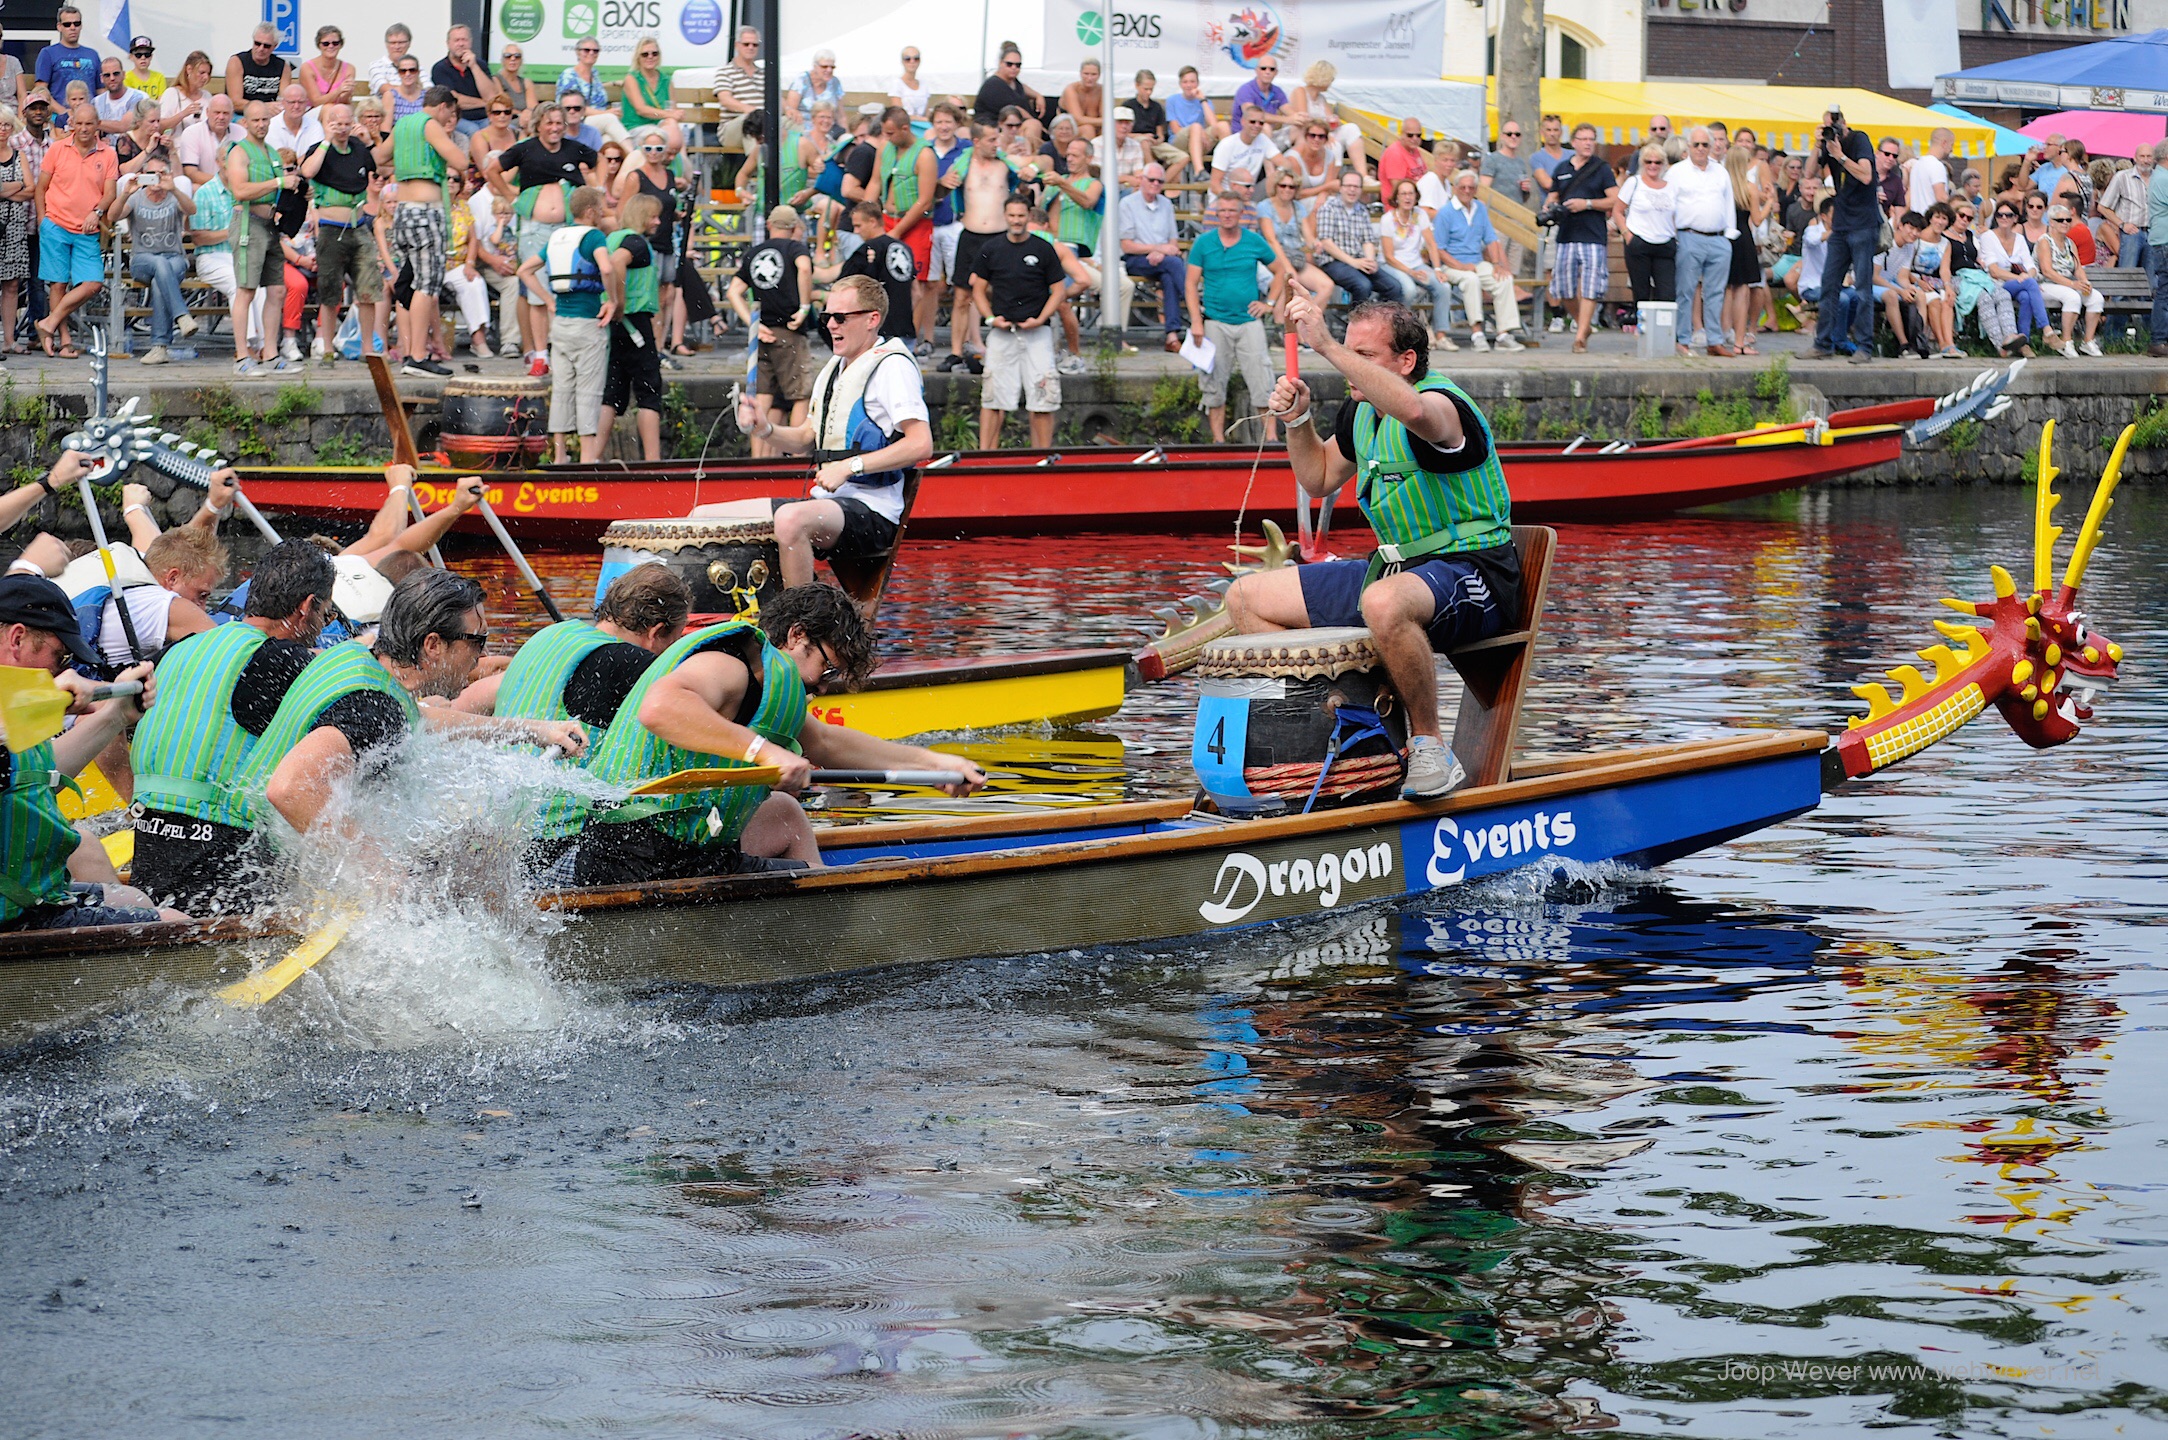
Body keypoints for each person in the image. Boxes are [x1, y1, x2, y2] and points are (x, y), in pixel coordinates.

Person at [1227, 296, 1517, 801]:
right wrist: (1298, 421)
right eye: (1350, 354)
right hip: (1396, 570)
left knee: (1382, 602)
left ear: (1405, 361)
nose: (1349, 368)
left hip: (1477, 575)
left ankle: (1429, 748)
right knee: (1246, 600)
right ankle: (1352, 748)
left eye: (1366, 355)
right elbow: (1316, 477)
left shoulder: (1444, 407)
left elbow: (1412, 409)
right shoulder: (1360, 412)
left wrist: (1328, 345)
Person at [573, 583, 982, 885]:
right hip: (641, 855)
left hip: (668, 849)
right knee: (820, 882)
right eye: (828, 670)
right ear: (797, 635)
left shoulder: (767, 684)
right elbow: (660, 707)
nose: (823, 687)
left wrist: (935, 764)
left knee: (786, 812)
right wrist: (764, 752)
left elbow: (827, 742)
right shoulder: (728, 665)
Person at [245, 569, 586, 842]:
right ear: (433, 644)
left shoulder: (365, 661)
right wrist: (380, 876)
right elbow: (290, 790)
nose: (481, 655)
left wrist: (532, 731)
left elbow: (419, 719)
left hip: (245, 839)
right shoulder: (373, 708)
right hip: (251, 870)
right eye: (476, 641)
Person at [124, 541, 342, 913]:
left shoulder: (175, 652)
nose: (325, 623)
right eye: (326, 612)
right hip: (225, 891)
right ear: (307, 608)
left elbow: (108, 721)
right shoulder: (283, 663)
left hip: (150, 858)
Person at [695, 273, 930, 595]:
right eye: (827, 316)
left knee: (791, 520)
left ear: (872, 319)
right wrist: (764, 428)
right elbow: (806, 438)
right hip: (827, 507)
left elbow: (920, 444)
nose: (831, 325)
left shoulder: (892, 367)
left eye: (841, 317)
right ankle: (741, 614)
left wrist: (850, 466)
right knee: (703, 517)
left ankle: (802, 621)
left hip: (873, 514)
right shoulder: (835, 367)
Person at [449, 566, 692, 872]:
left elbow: (471, 700)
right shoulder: (633, 662)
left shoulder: (551, 636)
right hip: (562, 847)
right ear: (657, 633)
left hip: (503, 835)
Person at [0, 573, 180, 932]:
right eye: (59, 654)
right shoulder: (14, 710)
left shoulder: (15, 718)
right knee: (177, 925)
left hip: (31, 902)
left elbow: (37, 773)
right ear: (18, 638)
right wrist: (44, 700)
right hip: (16, 917)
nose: (62, 667)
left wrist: (118, 716)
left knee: (136, 900)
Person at [488, 102, 600, 376]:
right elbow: (492, 170)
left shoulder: (575, 148)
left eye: (559, 123)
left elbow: (601, 161)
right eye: (549, 122)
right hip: (534, 229)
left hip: (567, 229)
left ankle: (563, 351)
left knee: (567, 287)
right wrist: (512, 195)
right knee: (537, 293)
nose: (555, 128)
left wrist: (596, 188)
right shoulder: (525, 148)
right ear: (538, 124)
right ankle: (540, 355)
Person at [515, 185, 621, 464]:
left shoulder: (556, 236)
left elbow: (524, 270)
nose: (602, 214)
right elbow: (607, 267)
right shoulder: (594, 236)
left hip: (560, 323)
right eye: (600, 209)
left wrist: (548, 301)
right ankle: (587, 460)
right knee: (589, 390)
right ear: (590, 211)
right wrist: (611, 300)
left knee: (562, 389)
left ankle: (558, 456)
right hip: (589, 324)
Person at [1186, 190, 1290, 444]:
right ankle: (1218, 441)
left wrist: (1269, 303)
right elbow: (1190, 284)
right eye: (1222, 210)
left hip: (1248, 321)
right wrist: (1196, 321)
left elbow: (1281, 272)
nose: (1227, 215)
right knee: (1213, 384)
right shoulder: (1203, 243)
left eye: (1232, 210)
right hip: (1214, 321)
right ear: (1216, 213)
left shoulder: (1253, 241)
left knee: (1262, 380)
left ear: (1241, 213)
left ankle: (1272, 440)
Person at [388, 87, 471, 379]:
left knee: (412, 283)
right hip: (426, 211)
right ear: (443, 106)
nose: (452, 120)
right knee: (427, 285)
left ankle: (412, 351)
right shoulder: (430, 124)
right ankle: (418, 356)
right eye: (451, 113)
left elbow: (380, 156)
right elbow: (460, 161)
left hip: (403, 212)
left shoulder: (402, 125)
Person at [972, 196, 1066, 448]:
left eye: (1021, 216)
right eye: (1012, 215)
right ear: (1005, 215)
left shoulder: (1043, 248)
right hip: (1002, 332)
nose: (1016, 220)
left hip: (1038, 333)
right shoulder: (991, 248)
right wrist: (990, 318)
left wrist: (1041, 318)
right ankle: (985, 458)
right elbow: (977, 289)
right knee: (992, 398)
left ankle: (1043, 459)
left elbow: (1058, 290)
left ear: (1028, 216)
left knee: (1044, 397)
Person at [33, 103, 116, 360]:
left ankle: (48, 323)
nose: (83, 128)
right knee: (58, 283)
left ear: (97, 125)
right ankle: (64, 340)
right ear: (71, 124)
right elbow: (41, 187)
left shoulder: (108, 153)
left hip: (87, 229)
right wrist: (42, 220)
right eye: (78, 123)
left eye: (88, 123)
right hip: (55, 224)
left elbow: (110, 192)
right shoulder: (57, 149)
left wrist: (97, 212)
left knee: (93, 283)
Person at [730, 204, 815, 456]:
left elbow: (733, 291)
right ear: (794, 228)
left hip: (762, 332)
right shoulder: (795, 248)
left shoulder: (754, 252)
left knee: (762, 395)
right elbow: (805, 268)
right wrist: (804, 306)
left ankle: (758, 460)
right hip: (789, 330)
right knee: (800, 394)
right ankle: (798, 457)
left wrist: (753, 326)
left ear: (769, 226)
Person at [222, 101, 295, 377]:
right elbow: (239, 190)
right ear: (246, 123)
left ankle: (271, 353)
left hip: (270, 226)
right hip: (248, 224)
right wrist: (278, 183)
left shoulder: (273, 153)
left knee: (277, 290)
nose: (261, 125)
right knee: (246, 290)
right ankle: (242, 357)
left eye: (265, 120)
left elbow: (283, 190)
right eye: (255, 121)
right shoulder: (239, 152)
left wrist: (299, 193)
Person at [939, 123, 1017, 372]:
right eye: (991, 140)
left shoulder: (1005, 164)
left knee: (1003, 292)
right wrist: (943, 182)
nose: (996, 144)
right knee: (962, 295)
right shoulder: (962, 165)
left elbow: (1035, 167)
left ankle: (1007, 348)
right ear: (976, 141)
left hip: (999, 236)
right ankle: (955, 352)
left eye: (997, 139)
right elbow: (939, 192)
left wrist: (1034, 169)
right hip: (971, 235)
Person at [594, 192, 664, 460]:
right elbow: (616, 263)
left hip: (614, 325)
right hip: (634, 320)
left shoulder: (611, 238)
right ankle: (653, 461)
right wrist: (618, 302)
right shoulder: (635, 242)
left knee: (612, 390)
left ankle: (592, 457)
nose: (658, 222)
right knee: (649, 391)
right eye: (654, 216)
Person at [1808, 106, 1880, 361]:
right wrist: (1818, 146)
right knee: (1829, 283)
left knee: (1862, 287)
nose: (1833, 132)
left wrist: (1839, 156)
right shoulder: (1828, 146)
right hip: (1840, 225)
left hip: (1863, 224)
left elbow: (1866, 176)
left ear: (1844, 124)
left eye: (1834, 126)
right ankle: (1822, 343)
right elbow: (1808, 174)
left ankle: (1864, 347)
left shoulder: (1859, 139)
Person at [1432, 169, 1522, 351]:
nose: (1467, 190)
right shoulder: (1445, 213)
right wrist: (1461, 266)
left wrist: (1498, 265)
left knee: (1504, 279)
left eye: (1471, 187)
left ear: (1475, 190)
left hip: (1476, 262)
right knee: (1471, 280)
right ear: (1455, 188)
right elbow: (1438, 248)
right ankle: (1477, 333)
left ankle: (1503, 334)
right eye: (1463, 187)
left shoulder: (1480, 209)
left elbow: (1490, 239)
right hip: (1452, 265)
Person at [1545, 122, 1616, 353]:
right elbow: (1552, 196)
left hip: (1593, 234)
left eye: (1591, 139)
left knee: (1590, 286)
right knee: (1563, 288)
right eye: (1583, 139)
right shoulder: (1562, 167)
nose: (1587, 143)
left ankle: (1580, 336)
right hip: (1566, 234)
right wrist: (1552, 207)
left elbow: (1614, 199)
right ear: (1574, 142)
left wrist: (1587, 204)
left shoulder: (1602, 168)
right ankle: (1583, 326)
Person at [124, 158, 194, 365]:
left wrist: (175, 189)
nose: (157, 178)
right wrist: (125, 194)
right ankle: (182, 316)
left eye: (161, 173)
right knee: (160, 265)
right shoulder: (136, 197)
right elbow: (113, 215)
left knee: (159, 279)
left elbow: (192, 210)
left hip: (174, 258)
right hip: (142, 259)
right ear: (144, 175)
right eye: (152, 173)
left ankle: (159, 347)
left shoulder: (174, 197)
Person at [825, 201, 919, 345]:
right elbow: (917, 293)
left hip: (879, 333)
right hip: (905, 330)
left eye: (858, 226)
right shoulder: (904, 248)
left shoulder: (867, 250)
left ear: (872, 222)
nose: (856, 232)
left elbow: (842, 287)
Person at [1379, 178, 1454, 351]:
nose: (1407, 197)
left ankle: (1441, 334)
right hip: (1393, 264)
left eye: (1411, 193)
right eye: (1403, 193)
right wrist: (1410, 273)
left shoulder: (1420, 215)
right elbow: (1389, 256)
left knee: (1443, 286)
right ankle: (1401, 334)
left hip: (1416, 263)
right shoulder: (1387, 219)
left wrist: (1437, 269)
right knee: (1409, 289)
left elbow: (1431, 244)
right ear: (1396, 197)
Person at [1256, 171, 1335, 315]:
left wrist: (1315, 244)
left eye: (1291, 187)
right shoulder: (1264, 206)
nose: (1287, 189)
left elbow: (1308, 236)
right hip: (1272, 258)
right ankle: (1281, 327)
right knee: (1291, 281)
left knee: (1327, 285)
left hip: (1295, 257)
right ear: (1276, 186)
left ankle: (1306, 322)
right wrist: (1286, 266)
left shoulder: (1298, 207)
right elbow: (1271, 240)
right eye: (1283, 185)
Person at [1978, 199, 2045, 357]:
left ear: (2015, 218)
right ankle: (2046, 330)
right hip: (1997, 284)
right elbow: (1994, 271)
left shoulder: (2019, 239)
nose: (2004, 218)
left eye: (2008, 215)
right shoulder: (1988, 236)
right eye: (2000, 215)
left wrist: (2027, 277)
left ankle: (2022, 343)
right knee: (2029, 285)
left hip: (2018, 284)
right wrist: (2022, 278)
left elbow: (2031, 266)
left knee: (2026, 296)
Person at [2037, 203, 2104, 358]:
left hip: (2067, 283)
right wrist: (2073, 284)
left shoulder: (2070, 243)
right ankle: (2066, 341)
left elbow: (2078, 267)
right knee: (2072, 297)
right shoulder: (2045, 241)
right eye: (2060, 220)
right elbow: (2047, 271)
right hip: (2045, 284)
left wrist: (2085, 282)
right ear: (2051, 222)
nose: (2065, 223)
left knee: (2096, 298)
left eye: (2068, 219)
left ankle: (2088, 341)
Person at [1722, 145, 1771, 356]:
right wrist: (1769, 202)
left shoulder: (1722, 186)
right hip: (1743, 240)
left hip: (1724, 238)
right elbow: (1758, 220)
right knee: (1742, 291)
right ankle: (1740, 341)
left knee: (1725, 290)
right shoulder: (1749, 187)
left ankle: (1724, 333)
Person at [1617, 143, 1676, 307]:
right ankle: (1642, 329)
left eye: (1657, 162)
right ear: (1642, 163)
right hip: (1639, 241)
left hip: (1665, 242)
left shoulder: (1671, 186)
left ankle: (1664, 331)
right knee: (1641, 292)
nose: (1653, 166)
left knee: (1667, 295)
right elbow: (1618, 211)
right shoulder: (1634, 183)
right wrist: (1627, 234)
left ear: (1663, 164)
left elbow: (1676, 214)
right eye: (1649, 162)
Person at [1284, 60, 1364, 176]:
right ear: (1323, 77)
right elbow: (1305, 119)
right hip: (1307, 135)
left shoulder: (1321, 99)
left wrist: (1336, 123)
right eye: (1331, 78)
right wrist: (1325, 133)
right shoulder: (1300, 91)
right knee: (1334, 146)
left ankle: (1363, 175)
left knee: (1352, 128)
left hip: (1322, 134)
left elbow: (1330, 121)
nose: (1331, 82)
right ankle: (1332, 180)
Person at [432, 24, 498, 143]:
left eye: (464, 40)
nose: (461, 44)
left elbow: (491, 96)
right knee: (474, 131)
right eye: (456, 40)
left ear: (470, 42)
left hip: (485, 117)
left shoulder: (480, 65)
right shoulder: (440, 68)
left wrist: (473, 67)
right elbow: (455, 100)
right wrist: (485, 102)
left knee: (505, 128)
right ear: (448, 44)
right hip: (458, 119)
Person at [36, 7, 100, 121]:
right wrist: (64, 112)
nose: (72, 28)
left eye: (76, 23)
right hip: (59, 118)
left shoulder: (92, 54)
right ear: (59, 27)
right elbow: (41, 90)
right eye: (67, 24)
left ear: (81, 26)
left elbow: (101, 90)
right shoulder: (48, 53)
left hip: (89, 118)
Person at [973, 43, 1046, 142]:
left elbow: (1023, 88)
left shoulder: (1013, 82)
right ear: (1000, 63)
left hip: (1011, 127)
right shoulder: (993, 85)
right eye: (1009, 64)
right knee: (1033, 125)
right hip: (993, 129)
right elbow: (1017, 110)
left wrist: (1038, 96)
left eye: (1018, 65)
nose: (1014, 68)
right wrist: (1042, 129)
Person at [618, 35, 679, 149]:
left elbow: (673, 110)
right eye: (645, 54)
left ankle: (680, 164)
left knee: (672, 125)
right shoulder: (632, 79)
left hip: (662, 127)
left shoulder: (666, 80)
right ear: (638, 57)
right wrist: (670, 115)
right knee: (666, 134)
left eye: (654, 53)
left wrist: (673, 116)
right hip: (637, 128)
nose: (650, 57)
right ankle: (677, 163)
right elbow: (641, 109)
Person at [713, 27, 766, 156]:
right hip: (733, 129)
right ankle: (760, 170)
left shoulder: (764, 74)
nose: (751, 47)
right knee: (751, 121)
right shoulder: (725, 72)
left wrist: (789, 109)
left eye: (755, 44)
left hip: (762, 123)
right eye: (746, 44)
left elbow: (777, 99)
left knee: (792, 121)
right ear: (737, 45)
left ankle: (811, 166)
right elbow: (725, 100)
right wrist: (750, 111)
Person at [2099, 145, 2153, 269]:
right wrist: (2122, 224)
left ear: (2153, 158)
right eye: (2142, 156)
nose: (2145, 160)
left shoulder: (2159, 179)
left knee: (2151, 278)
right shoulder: (2122, 177)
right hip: (2131, 233)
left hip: (2153, 233)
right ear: (2135, 158)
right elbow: (2102, 207)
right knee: (2128, 273)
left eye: (2149, 156)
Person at [1210, 106, 1280, 201]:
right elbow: (1214, 185)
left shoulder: (1263, 140)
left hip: (1249, 195)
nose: (1257, 125)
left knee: (1283, 177)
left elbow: (1285, 164)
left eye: (1261, 123)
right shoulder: (1227, 145)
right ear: (1243, 121)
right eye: (1252, 122)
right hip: (1225, 198)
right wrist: (1234, 203)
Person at [1164, 66, 1219, 182]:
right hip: (1179, 142)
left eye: (1192, 82)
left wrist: (1202, 100)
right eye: (1185, 82)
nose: (1189, 85)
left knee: (1223, 126)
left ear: (1198, 83)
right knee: (1196, 126)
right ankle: (1199, 171)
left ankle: (1228, 169)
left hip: (1200, 141)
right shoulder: (1172, 100)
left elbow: (1214, 125)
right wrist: (1198, 131)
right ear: (1180, 84)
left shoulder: (1205, 101)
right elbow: (1175, 129)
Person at [227, 23, 290, 112]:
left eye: (266, 46)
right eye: (257, 43)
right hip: (242, 113)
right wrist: (264, 107)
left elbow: (284, 100)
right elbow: (235, 103)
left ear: (275, 46)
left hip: (271, 114)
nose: (261, 48)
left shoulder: (283, 66)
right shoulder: (237, 62)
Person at [266, 83, 324, 158]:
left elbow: (317, 157)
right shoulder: (271, 126)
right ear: (283, 103)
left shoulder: (315, 126)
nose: (296, 106)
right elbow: (282, 161)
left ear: (306, 103)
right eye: (292, 102)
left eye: (300, 102)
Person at [1232, 59, 1287, 132]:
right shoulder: (1246, 90)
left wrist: (1299, 118)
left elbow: (1289, 110)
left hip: (1268, 135)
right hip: (1243, 135)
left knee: (1297, 128)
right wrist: (1287, 119)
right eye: (1263, 68)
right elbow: (1253, 115)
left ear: (1276, 72)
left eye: (1272, 69)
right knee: (1265, 127)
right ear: (1256, 70)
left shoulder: (1277, 91)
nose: (1267, 72)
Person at [1908, 127, 1953, 215]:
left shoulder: (1917, 164)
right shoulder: (1937, 165)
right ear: (1944, 143)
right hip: (1931, 220)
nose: (1952, 150)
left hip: (1917, 220)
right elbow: (1941, 198)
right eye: (1951, 145)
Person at [1059, 58, 1104, 139]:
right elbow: (1078, 120)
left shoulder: (1102, 90)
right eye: (1086, 74)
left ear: (1099, 75)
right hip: (1068, 129)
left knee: (1108, 130)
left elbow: (1105, 116)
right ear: (1080, 73)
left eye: (1093, 74)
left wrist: (1106, 122)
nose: (1089, 78)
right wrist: (1105, 121)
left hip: (1096, 129)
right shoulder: (1071, 89)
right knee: (1088, 129)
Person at [1378, 119, 1427, 193]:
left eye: (1418, 135)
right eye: (1410, 135)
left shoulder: (1414, 150)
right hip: (1400, 202)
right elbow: (1398, 187)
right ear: (1402, 134)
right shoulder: (1395, 153)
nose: (1415, 138)